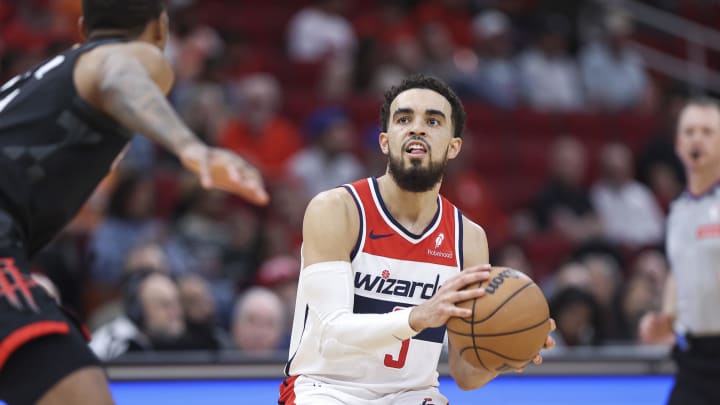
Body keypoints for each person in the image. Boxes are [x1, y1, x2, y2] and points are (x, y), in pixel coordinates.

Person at [0, 1, 269, 404]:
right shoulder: (128, 53)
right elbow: (119, 73)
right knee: (76, 385)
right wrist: (193, 149)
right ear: (160, 29)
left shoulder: (39, 83)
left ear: (82, 26)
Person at [279, 74, 555, 404]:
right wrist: (418, 316)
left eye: (433, 120)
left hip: (413, 395)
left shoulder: (469, 239)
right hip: (327, 390)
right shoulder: (338, 209)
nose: (417, 128)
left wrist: (508, 350)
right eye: (404, 118)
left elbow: (465, 374)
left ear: (454, 146)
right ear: (385, 140)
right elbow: (330, 335)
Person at [639, 98, 720, 404]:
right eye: (689, 131)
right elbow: (680, 270)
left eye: (707, 131)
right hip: (693, 359)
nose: (696, 138)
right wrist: (667, 317)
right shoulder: (679, 211)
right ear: (677, 143)